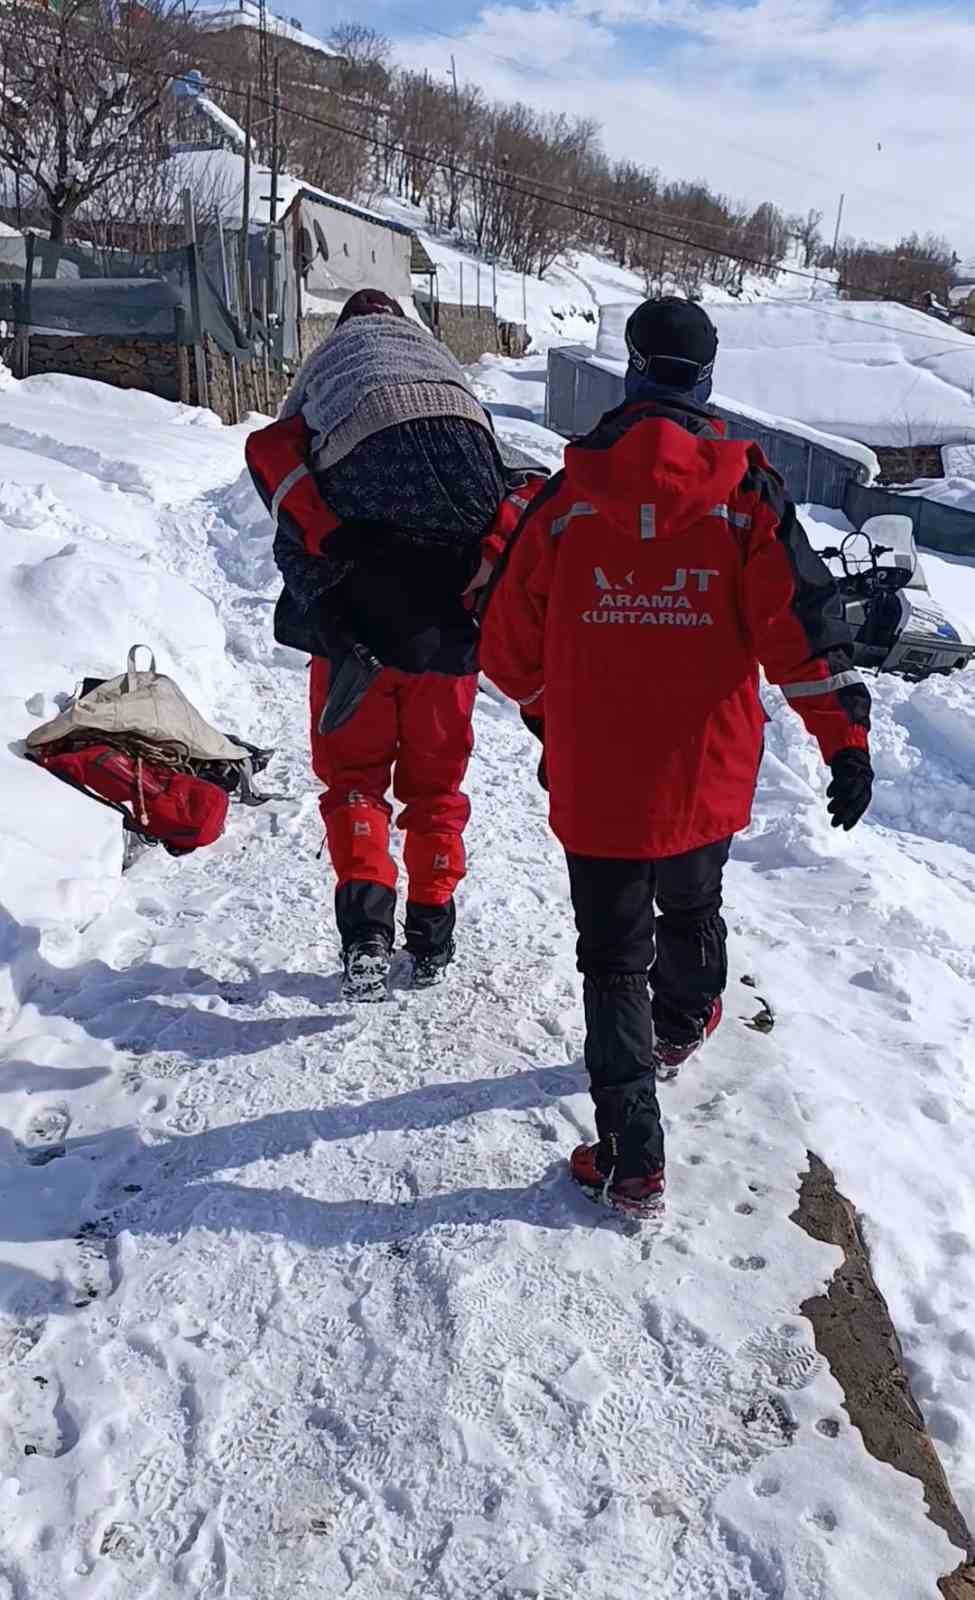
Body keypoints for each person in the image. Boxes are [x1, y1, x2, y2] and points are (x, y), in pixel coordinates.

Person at [480, 296, 873, 1217]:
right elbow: (802, 630)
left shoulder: (567, 497)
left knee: (611, 960)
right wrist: (843, 742)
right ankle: (687, 1013)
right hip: (707, 768)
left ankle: (632, 1160)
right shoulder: (746, 494)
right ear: (704, 379)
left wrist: (552, 714)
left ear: (631, 369)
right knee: (694, 897)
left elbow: (504, 640)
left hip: (599, 781)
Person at [247, 289, 546, 1001]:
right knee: (436, 789)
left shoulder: (331, 380)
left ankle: (366, 939)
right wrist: (487, 557)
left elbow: (268, 451)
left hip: (353, 633)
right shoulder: (445, 381)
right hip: (446, 640)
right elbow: (525, 485)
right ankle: (432, 930)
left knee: (353, 784)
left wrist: (329, 532)